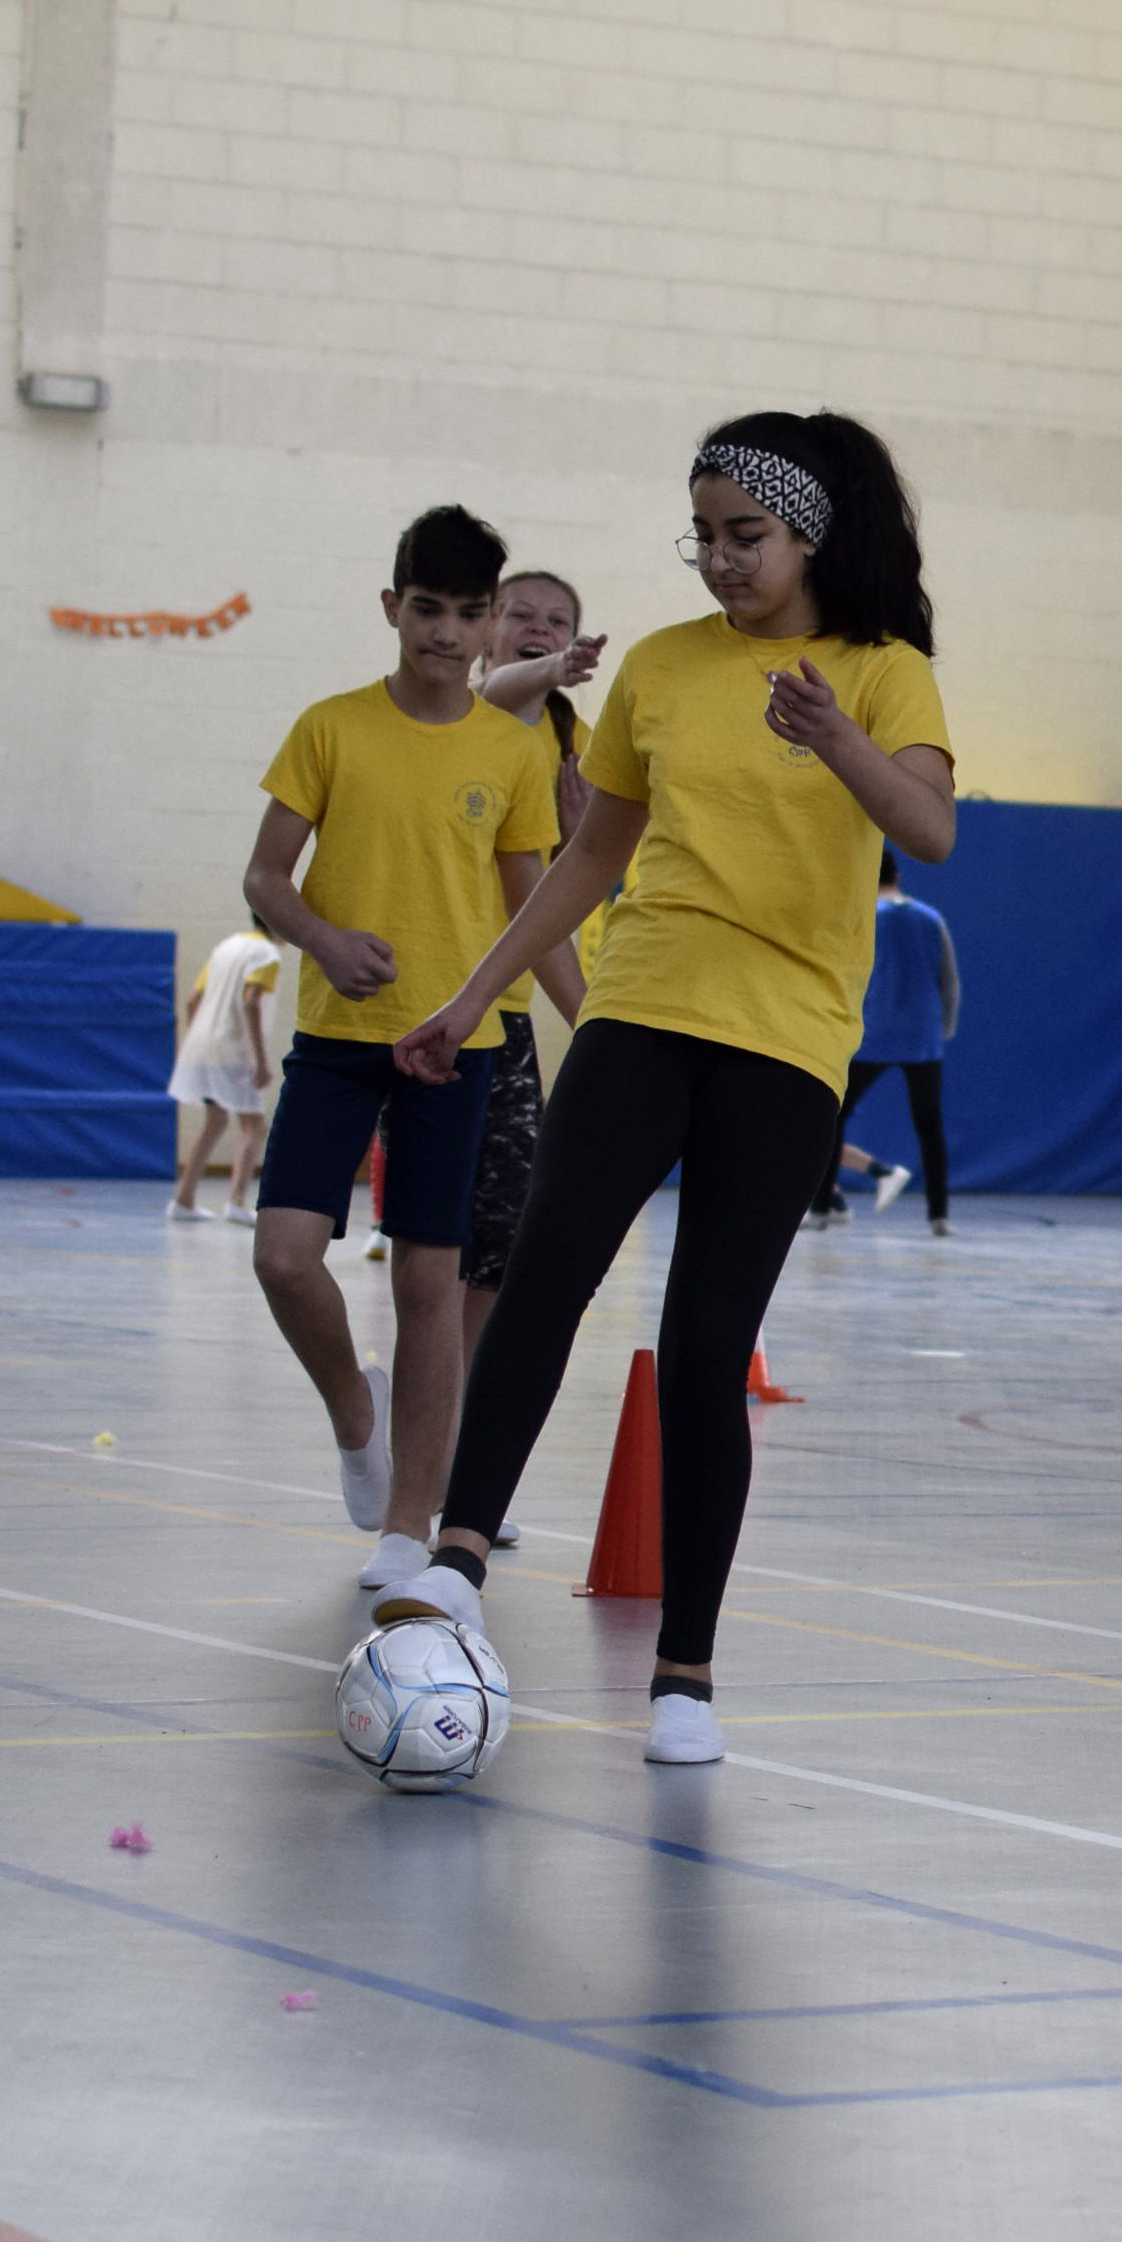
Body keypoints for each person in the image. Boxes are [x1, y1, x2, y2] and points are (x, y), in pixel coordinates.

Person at [385, 411, 957, 1767]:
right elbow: (587, 860)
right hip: (643, 1004)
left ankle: (685, 1674)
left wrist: (835, 737)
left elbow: (928, 827)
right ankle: (458, 1552)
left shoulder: (883, 673)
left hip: (786, 1042)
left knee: (706, 1349)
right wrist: (473, 994)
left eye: (741, 535)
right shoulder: (659, 667)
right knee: (544, 1275)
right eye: (699, 535)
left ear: (807, 532)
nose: (716, 560)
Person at [240, 505, 567, 1594]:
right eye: (426, 608)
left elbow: (534, 909)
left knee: (432, 1279)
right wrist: (325, 940)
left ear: (489, 627)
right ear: (393, 608)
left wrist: (595, 1017)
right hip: (338, 1039)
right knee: (284, 1255)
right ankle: (354, 1411)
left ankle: (405, 1522)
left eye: (469, 613)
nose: (445, 631)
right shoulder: (330, 728)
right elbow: (266, 877)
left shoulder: (511, 752)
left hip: (456, 1046)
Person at [461, 569, 607, 1367]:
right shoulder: (470, 709)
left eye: (558, 621)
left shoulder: (574, 743)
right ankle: (417, 1406)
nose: (540, 627)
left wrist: (580, 845)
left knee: (500, 1240)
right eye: (521, 614)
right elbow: (503, 689)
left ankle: (455, 1408)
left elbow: (560, 902)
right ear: (489, 629)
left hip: (506, 1013)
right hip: (435, 1001)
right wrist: (552, 667)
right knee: (429, 1247)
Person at [814, 847, 955, 1232]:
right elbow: (949, 980)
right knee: (930, 1125)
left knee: (832, 1118)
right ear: (898, 876)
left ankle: (821, 1208)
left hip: (872, 1033)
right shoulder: (931, 918)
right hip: (923, 1037)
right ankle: (939, 1214)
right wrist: (944, 1028)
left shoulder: (866, 918)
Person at [164, 911, 284, 1223]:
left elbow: (193, 1000)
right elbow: (251, 1002)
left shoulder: (225, 946)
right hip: (233, 1048)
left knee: (215, 1120)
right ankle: (236, 1201)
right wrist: (260, 1058)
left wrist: (200, 1041)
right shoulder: (267, 954)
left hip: (200, 1044)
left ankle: (184, 1199)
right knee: (254, 1126)